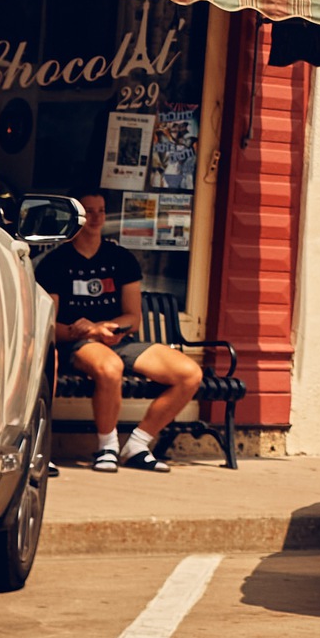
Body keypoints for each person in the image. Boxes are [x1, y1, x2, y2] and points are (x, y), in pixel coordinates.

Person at [41, 195, 199, 471]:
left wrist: (107, 328)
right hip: (75, 343)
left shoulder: (121, 258)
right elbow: (50, 324)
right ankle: (107, 447)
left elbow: (132, 318)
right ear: (76, 217)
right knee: (110, 368)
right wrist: (89, 332)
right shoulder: (55, 262)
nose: (97, 217)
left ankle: (137, 444)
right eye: (89, 211)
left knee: (189, 373)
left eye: (101, 211)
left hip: (117, 340)